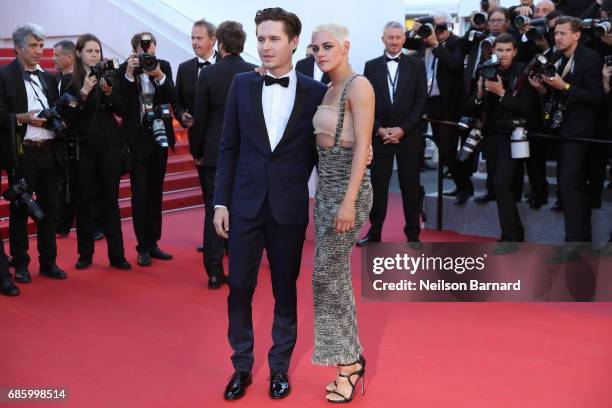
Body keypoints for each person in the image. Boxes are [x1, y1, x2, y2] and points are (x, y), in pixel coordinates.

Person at [212, 7, 327, 401]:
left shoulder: (315, 92)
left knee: (284, 288)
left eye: (274, 38)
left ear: (294, 43)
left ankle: (279, 367)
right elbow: (228, 147)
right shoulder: (242, 85)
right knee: (239, 286)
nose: (265, 45)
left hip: (288, 206)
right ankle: (241, 366)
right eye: (261, 38)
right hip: (243, 204)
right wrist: (219, 203)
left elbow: (320, 153)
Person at [310, 23, 373, 403]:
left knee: (325, 276)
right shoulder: (328, 87)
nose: (320, 53)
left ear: (346, 46)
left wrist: (349, 201)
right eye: (316, 47)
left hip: (348, 193)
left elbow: (363, 144)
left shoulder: (358, 86)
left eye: (328, 46)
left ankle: (348, 362)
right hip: (325, 191)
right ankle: (349, 359)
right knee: (333, 279)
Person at [529, 16, 604, 261]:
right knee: (571, 187)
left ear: (577, 34)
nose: (557, 37)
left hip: (581, 133)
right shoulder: (554, 57)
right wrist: (543, 89)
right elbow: (554, 92)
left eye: (562, 33)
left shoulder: (591, 59)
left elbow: (596, 98)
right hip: (559, 130)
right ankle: (580, 243)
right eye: (555, 33)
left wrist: (565, 87)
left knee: (571, 185)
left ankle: (574, 244)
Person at [191, 21, 256, 289]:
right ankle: (241, 269)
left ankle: (215, 271)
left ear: (220, 43)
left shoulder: (208, 74)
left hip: (215, 153)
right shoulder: (253, 73)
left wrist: (196, 151)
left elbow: (200, 119)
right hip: (245, 153)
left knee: (213, 209)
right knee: (241, 210)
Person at [0, 23, 67, 282]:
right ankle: (21, 264)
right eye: (33, 45)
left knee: (51, 209)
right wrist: (23, 118)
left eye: (41, 45)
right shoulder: (5, 76)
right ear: (18, 48)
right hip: (22, 152)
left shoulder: (49, 77)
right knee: (20, 210)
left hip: (49, 151)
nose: (40, 50)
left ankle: (48, 262)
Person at [64, 34, 131, 270]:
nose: (95, 55)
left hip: (110, 145)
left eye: (97, 51)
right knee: (85, 200)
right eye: (90, 51)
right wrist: (84, 91)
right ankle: (85, 254)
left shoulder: (110, 77)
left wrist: (110, 92)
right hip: (84, 147)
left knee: (110, 199)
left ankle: (117, 255)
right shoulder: (69, 81)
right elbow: (67, 116)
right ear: (79, 53)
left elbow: (123, 110)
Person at [358, 21, 427, 247]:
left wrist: (403, 130)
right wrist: (378, 129)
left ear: (404, 39)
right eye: (390, 37)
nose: (395, 41)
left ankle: (413, 235)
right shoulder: (371, 66)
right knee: (377, 190)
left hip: (409, 138)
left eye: (398, 37)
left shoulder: (417, 65)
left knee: (411, 189)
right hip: (380, 138)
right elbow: (367, 103)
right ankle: (375, 232)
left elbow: (420, 103)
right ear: (383, 39)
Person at [468, 33, 537, 253]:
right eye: (500, 50)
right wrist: (480, 91)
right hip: (492, 137)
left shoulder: (523, 73)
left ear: (515, 51)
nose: (504, 54)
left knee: (501, 184)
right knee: (501, 186)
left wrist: (502, 92)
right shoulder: (488, 70)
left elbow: (527, 109)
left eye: (508, 50)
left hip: (515, 136)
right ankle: (515, 232)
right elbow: (473, 106)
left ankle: (510, 237)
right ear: (493, 51)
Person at [118, 32, 175, 267]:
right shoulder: (125, 69)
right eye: (143, 49)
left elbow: (172, 95)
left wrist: (159, 75)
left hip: (159, 136)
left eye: (150, 47)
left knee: (155, 192)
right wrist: (130, 74)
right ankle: (142, 246)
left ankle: (153, 242)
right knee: (139, 194)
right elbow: (121, 106)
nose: (147, 53)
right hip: (137, 139)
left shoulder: (164, 66)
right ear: (134, 50)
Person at [407, 11, 473, 205]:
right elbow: (403, 42)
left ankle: (465, 186)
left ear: (450, 25)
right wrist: (414, 30)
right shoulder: (423, 41)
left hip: (450, 105)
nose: (439, 31)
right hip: (430, 103)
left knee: (448, 149)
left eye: (443, 26)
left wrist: (436, 45)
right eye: (436, 27)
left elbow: (454, 65)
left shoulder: (457, 43)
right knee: (443, 149)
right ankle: (461, 185)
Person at [173, 19, 219, 253]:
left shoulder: (229, 66)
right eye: (192, 38)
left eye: (199, 38)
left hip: (225, 143)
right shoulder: (185, 68)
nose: (194, 42)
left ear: (213, 40)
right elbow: (177, 103)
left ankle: (226, 239)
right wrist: (183, 116)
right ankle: (213, 239)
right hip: (199, 143)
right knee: (208, 194)